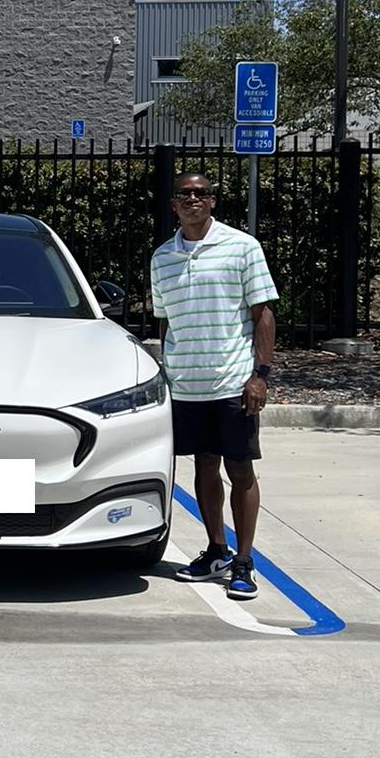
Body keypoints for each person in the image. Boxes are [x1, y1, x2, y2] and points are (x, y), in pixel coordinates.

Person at [149, 172, 279, 601]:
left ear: (213, 201)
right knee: (202, 466)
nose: (192, 199)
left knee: (239, 468)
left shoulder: (242, 247)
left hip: (233, 381)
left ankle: (244, 560)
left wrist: (260, 375)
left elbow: (262, 314)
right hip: (187, 385)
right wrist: (167, 373)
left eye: (200, 193)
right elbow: (166, 322)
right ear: (174, 204)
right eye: (184, 194)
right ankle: (217, 551)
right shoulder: (163, 257)